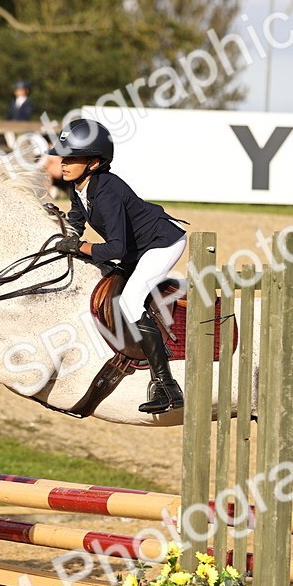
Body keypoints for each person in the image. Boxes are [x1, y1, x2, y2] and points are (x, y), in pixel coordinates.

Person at [51, 119, 188, 414]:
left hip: (162, 242)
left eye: (72, 158)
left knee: (130, 300)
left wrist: (82, 247)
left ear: (94, 162)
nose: (64, 163)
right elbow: (76, 218)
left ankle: (167, 386)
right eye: (64, 157)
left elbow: (116, 248)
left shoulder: (108, 191)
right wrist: (69, 237)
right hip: (138, 247)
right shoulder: (79, 186)